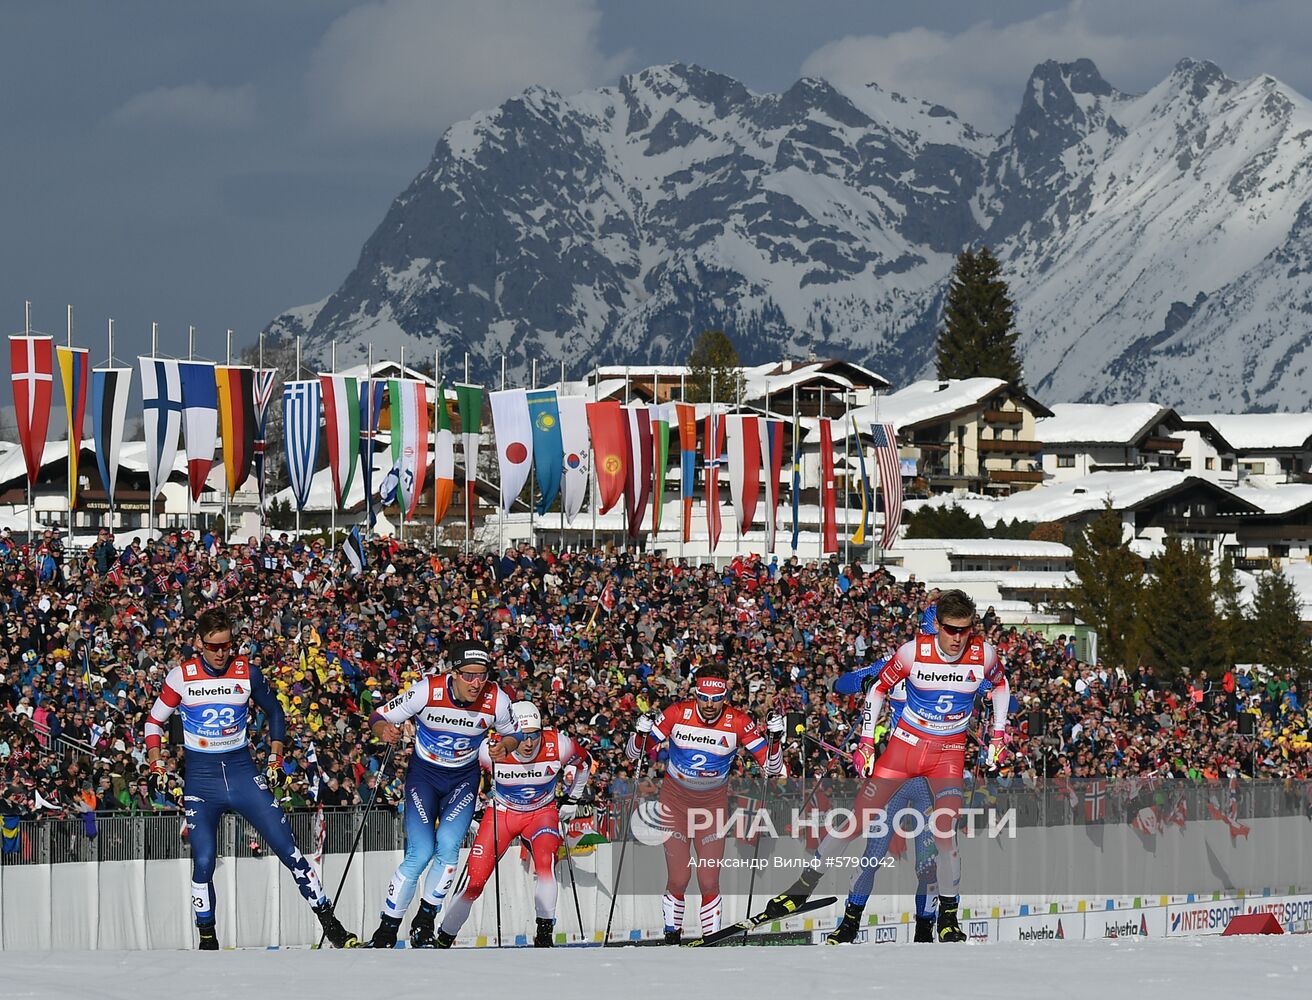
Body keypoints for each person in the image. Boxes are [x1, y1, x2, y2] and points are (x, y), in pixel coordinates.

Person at [765, 589, 1008, 943]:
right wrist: (865, 714)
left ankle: (935, 923)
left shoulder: (978, 657)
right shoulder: (906, 655)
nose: (954, 641)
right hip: (902, 757)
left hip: (942, 762)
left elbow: (1002, 689)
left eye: (964, 631)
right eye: (944, 631)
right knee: (870, 846)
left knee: (935, 848)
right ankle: (840, 916)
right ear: (932, 628)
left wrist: (997, 729)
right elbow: (847, 683)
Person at [142, 606, 358, 950]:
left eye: (227, 645)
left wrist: (275, 756)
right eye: (214, 647)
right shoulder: (180, 676)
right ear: (200, 644)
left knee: (289, 850)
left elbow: (275, 712)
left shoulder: (247, 672)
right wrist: (156, 764)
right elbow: (153, 722)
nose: (221, 653)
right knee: (203, 860)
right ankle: (208, 939)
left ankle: (332, 926)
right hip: (202, 780)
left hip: (243, 774)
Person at [365, 639, 519, 949]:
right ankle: (387, 928)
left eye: (483, 675)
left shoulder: (496, 700)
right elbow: (378, 716)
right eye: (469, 675)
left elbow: (514, 733)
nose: (477, 683)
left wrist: (506, 747)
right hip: (425, 777)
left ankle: (424, 922)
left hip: (463, 780)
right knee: (420, 853)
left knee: (448, 850)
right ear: (454, 673)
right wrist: (384, 731)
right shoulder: (427, 690)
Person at [625, 662, 786, 943]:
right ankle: (672, 936)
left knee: (709, 880)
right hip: (674, 805)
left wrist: (776, 739)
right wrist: (639, 733)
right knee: (679, 877)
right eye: (704, 698)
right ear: (695, 693)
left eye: (717, 699)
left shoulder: (738, 721)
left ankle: (711, 939)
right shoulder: (676, 713)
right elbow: (634, 755)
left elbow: (772, 768)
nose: (710, 705)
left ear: (725, 696)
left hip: (711, 808)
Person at [436, 699, 589, 948]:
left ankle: (544, 934)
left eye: (534, 735)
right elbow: (459, 774)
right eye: (522, 736)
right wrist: (473, 812)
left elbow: (584, 764)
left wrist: (572, 798)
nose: (528, 744)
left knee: (545, 865)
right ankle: (444, 937)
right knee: (474, 882)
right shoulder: (490, 748)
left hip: (542, 813)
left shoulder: (558, 744)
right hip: (502, 815)